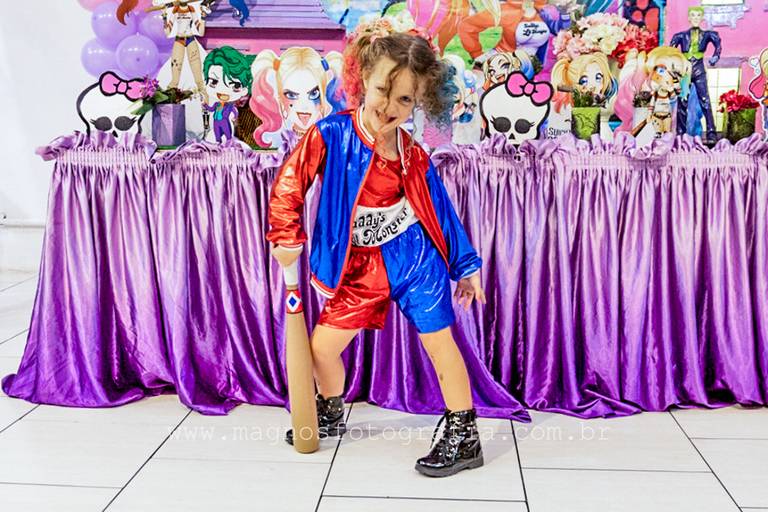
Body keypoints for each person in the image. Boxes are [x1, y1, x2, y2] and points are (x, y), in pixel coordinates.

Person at [266, 21, 488, 478]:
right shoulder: (331, 134)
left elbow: (441, 210)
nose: (389, 106)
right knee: (321, 350)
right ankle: (330, 408)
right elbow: (289, 185)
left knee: (440, 343)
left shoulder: (413, 153)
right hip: (359, 267)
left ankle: (464, 434)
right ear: (363, 78)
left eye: (404, 100)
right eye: (383, 90)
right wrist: (285, 234)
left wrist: (466, 265)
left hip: (415, 259)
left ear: (418, 102)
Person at [669, 6, 721, 144]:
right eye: (693, 15)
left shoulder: (708, 35)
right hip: (685, 71)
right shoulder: (680, 36)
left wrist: (715, 56)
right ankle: (680, 133)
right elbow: (670, 52)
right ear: (689, 18)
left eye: (698, 15)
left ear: (702, 18)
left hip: (699, 69)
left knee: (705, 100)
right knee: (682, 101)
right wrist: (674, 66)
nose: (696, 18)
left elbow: (718, 45)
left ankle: (711, 133)